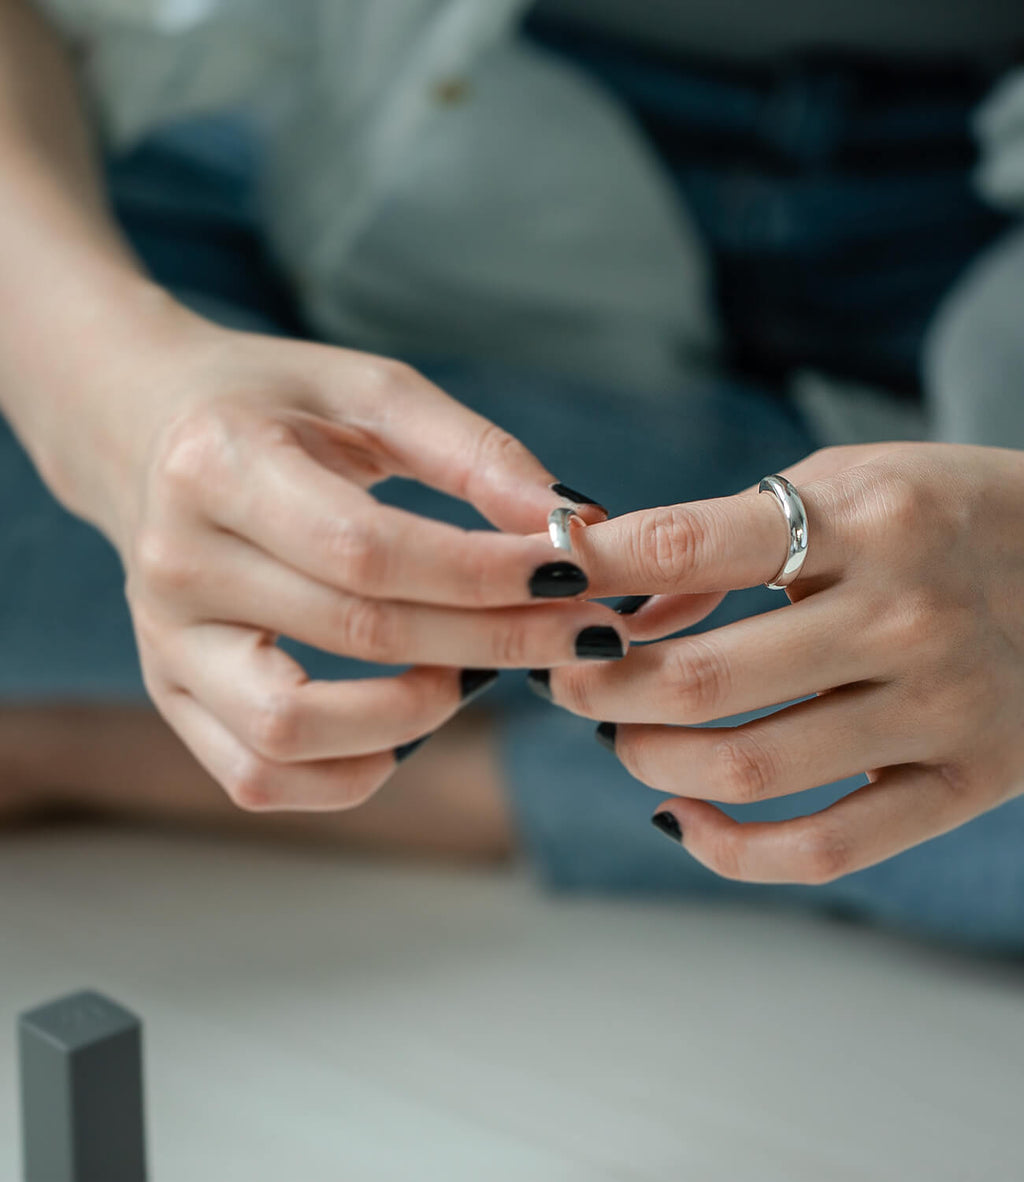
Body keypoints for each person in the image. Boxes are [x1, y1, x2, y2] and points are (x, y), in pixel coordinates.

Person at [2, 0, 1024, 948]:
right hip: (384, 168)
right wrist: (114, 396)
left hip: (973, 291)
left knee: (956, 755)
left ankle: (101, 748)